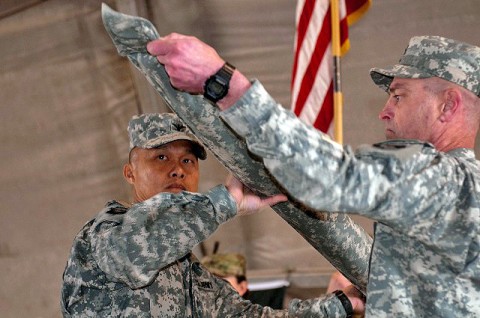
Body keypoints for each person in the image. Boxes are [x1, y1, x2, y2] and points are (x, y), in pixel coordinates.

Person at [146, 34, 480, 317]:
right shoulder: (452, 192)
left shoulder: (444, 179)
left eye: (399, 95)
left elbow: (329, 174)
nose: (385, 110)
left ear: (448, 106)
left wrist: (222, 82)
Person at [61, 113, 365, 317]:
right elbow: (135, 251)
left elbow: (247, 316)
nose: (178, 169)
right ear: (130, 173)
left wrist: (340, 305)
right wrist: (224, 202)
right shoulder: (105, 234)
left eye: (188, 160)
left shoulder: (192, 277)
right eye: (161, 157)